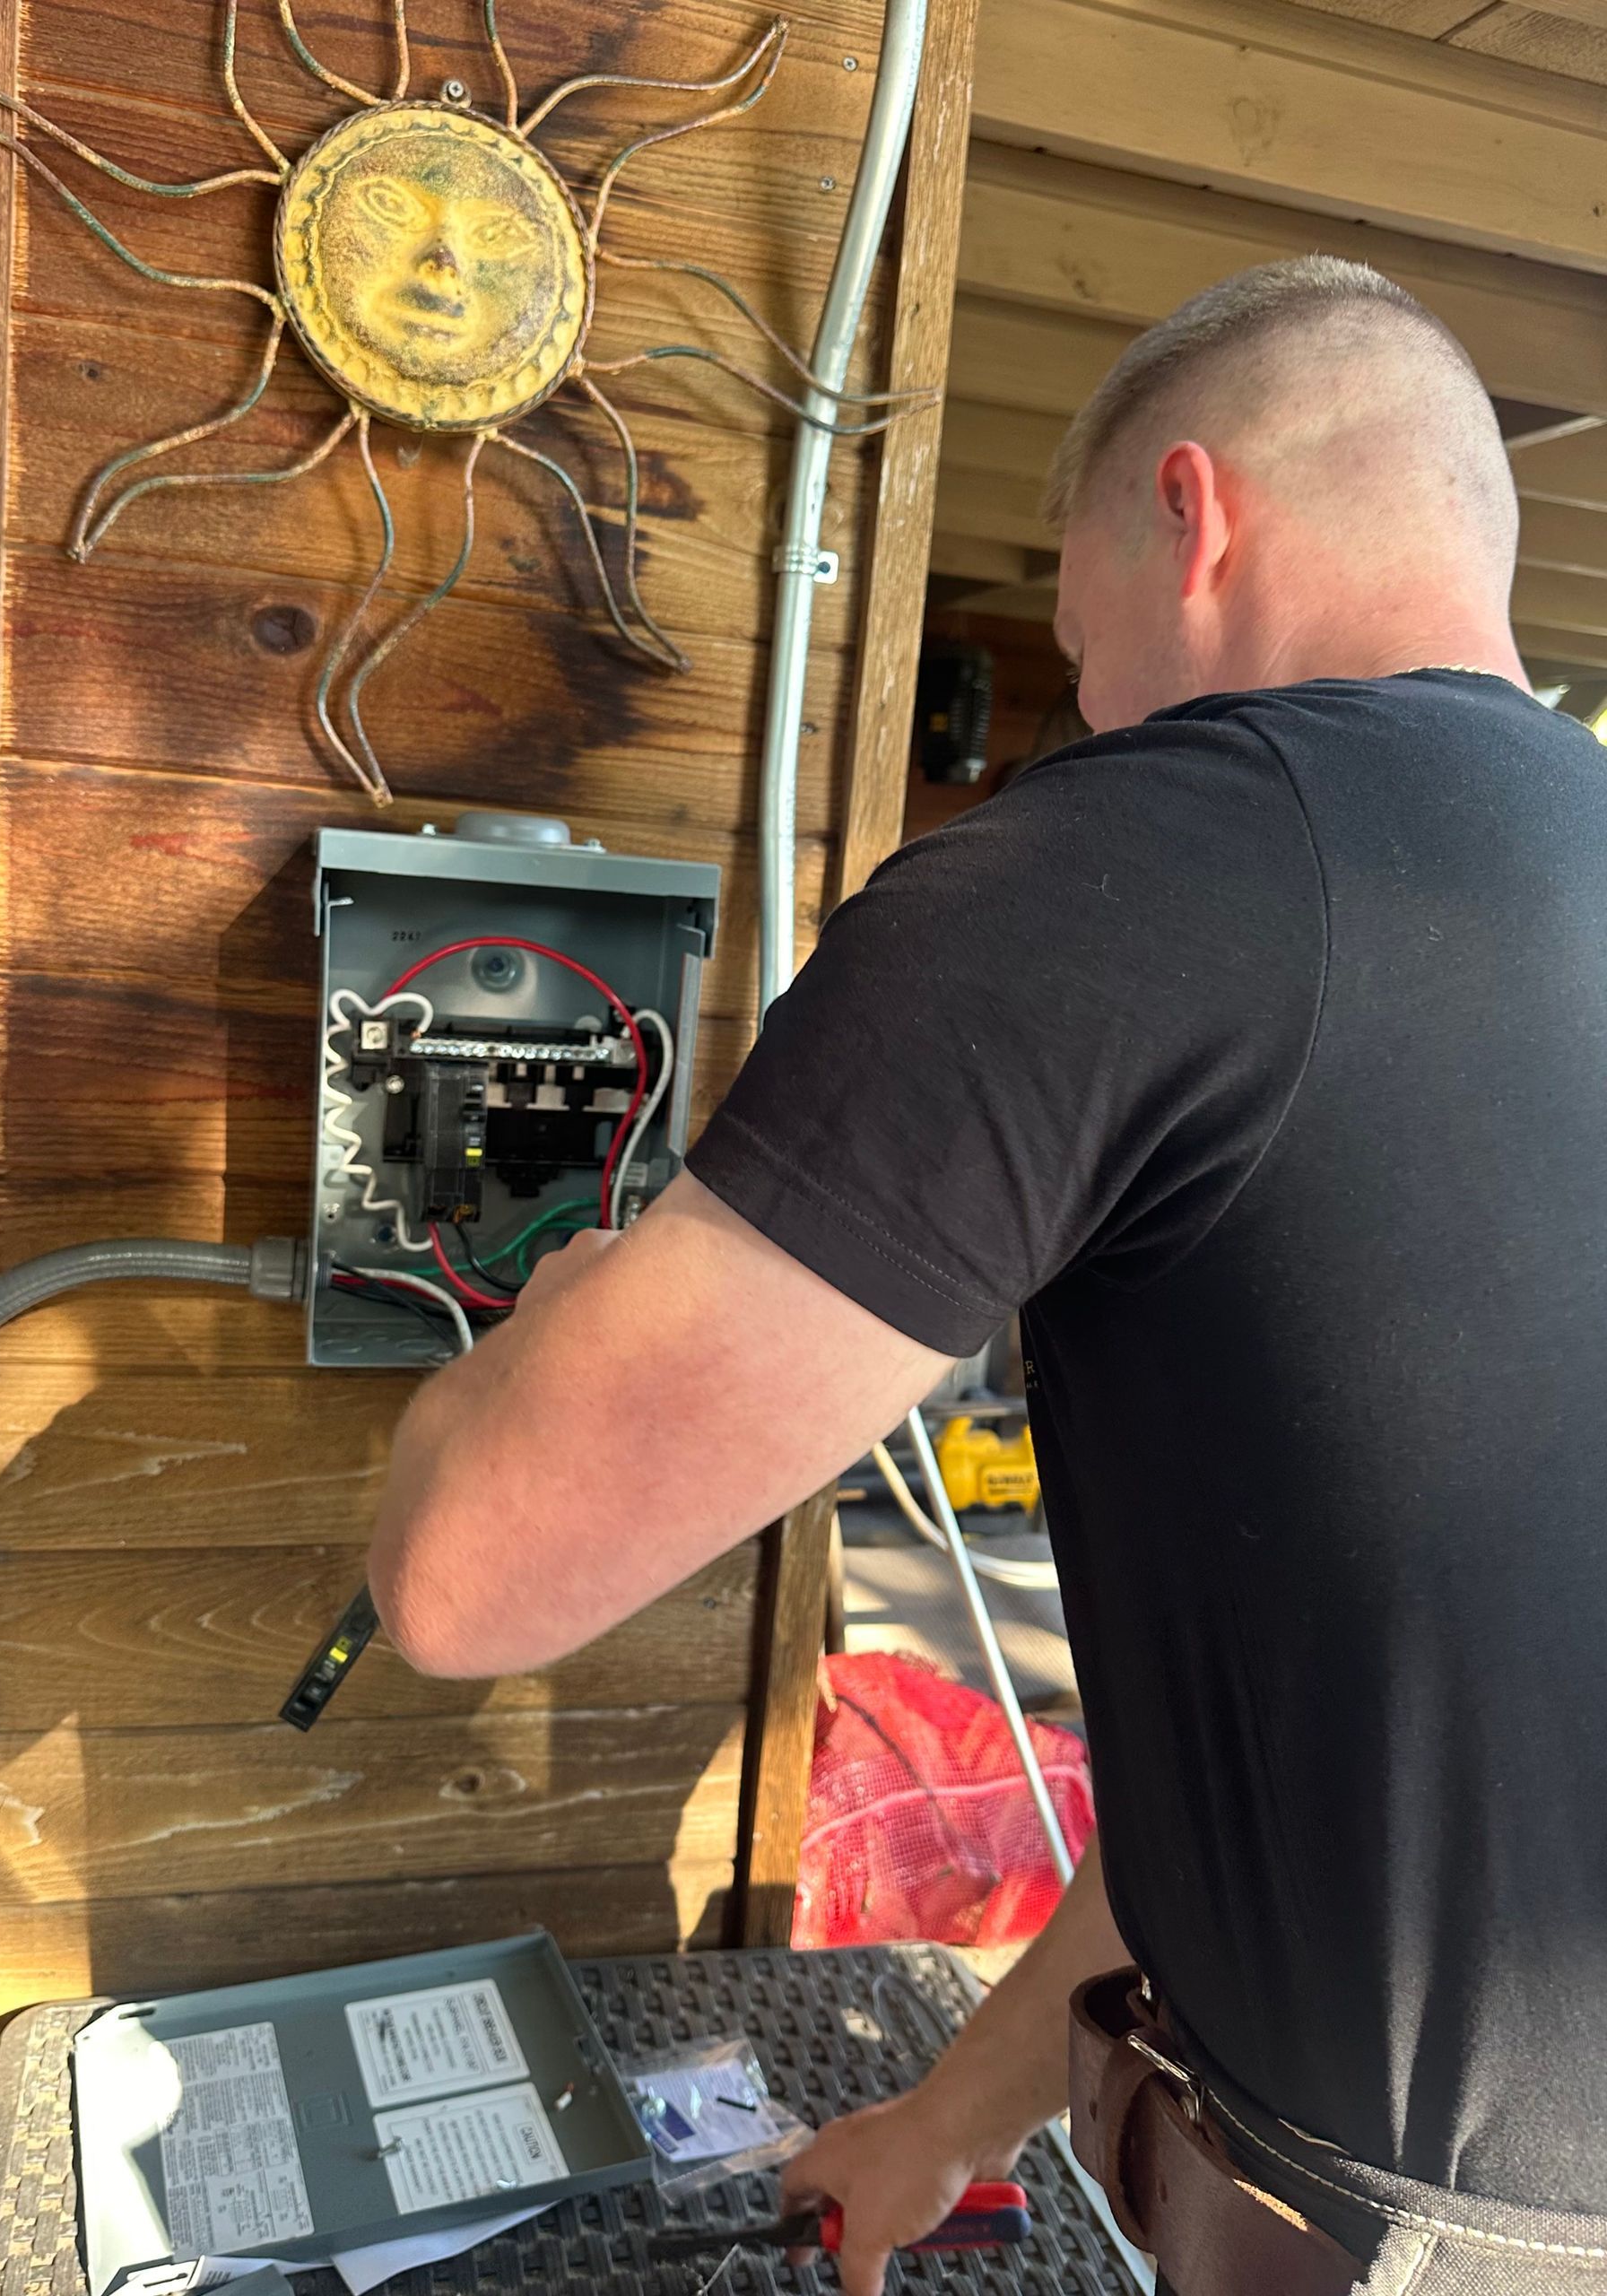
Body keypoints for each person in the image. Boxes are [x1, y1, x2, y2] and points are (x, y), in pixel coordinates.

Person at [367, 259, 1607, 2294]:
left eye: (1079, 636)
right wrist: (944, 2125)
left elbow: (468, 1576)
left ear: (1190, 516)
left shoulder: (1125, 862)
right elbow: (1291, 1774)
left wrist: (534, 1340)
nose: (1089, 703)